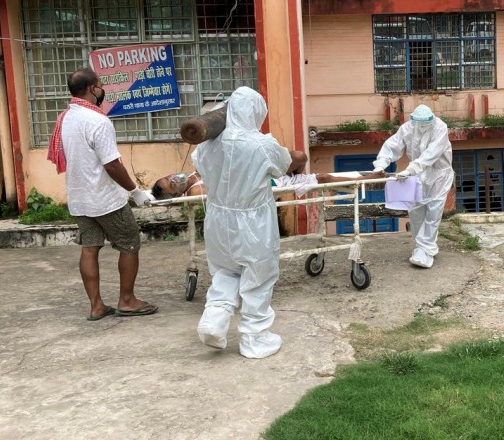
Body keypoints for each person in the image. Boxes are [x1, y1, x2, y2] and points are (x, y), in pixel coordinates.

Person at [47, 67, 158, 321]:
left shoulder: (65, 118)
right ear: (91, 89)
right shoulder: (98, 121)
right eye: (100, 86)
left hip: (79, 198)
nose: (102, 90)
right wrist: (135, 191)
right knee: (130, 243)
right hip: (105, 199)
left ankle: (96, 306)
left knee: (90, 248)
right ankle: (127, 301)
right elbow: (112, 165)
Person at [192, 86, 292, 359]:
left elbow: (197, 162)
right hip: (253, 222)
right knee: (258, 277)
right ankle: (254, 338)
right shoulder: (262, 144)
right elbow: (283, 165)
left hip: (218, 218)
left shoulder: (208, 144)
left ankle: (214, 321)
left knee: (225, 271)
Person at [372, 104, 454, 269]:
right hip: (417, 176)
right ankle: (420, 248)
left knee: (433, 213)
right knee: (415, 212)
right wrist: (381, 164)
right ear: (414, 120)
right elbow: (392, 145)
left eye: (425, 123)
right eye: (419, 123)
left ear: (431, 119)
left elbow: (431, 154)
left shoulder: (440, 127)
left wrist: (410, 169)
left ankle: (427, 249)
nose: (422, 126)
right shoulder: (408, 128)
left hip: (439, 176)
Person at [152, 151, 384, 200]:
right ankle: (371, 179)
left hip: (261, 169)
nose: (174, 179)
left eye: (169, 177)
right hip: (261, 182)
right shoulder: (195, 190)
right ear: (176, 193)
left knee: (300, 156)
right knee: (323, 179)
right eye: (172, 184)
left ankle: (298, 175)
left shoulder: (198, 168)